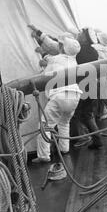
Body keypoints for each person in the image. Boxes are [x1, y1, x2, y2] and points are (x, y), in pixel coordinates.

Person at [30, 28, 82, 163]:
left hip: (60, 96)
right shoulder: (74, 61)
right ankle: (64, 149)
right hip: (75, 96)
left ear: (63, 48)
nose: (58, 46)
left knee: (45, 125)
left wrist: (43, 59)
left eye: (60, 45)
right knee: (64, 123)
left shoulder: (55, 60)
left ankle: (43, 156)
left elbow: (45, 74)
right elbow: (55, 57)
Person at [71, 28, 104, 149]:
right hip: (94, 85)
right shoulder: (93, 51)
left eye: (80, 34)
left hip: (84, 87)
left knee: (78, 113)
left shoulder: (79, 51)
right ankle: (97, 139)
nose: (78, 35)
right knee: (88, 114)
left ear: (84, 38)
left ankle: (84, 137)